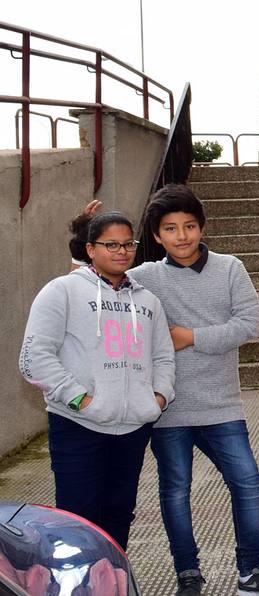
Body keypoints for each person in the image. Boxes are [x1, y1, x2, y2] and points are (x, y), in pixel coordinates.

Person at [129, 185, 259, 596]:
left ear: (201, 228)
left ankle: (250, 572)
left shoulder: (230, 268)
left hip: (222, 405)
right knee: (175, 491)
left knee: (247, 483)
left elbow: (249, 324)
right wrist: (82, 241)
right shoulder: (142, 278)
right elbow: (94, 282)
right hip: (168, 408)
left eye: (189, 226)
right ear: (156, 235)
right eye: (170, 228)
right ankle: (187, 574)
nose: (181, 236)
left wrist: (188, 336)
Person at [19, 211, 175, 552]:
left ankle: (110, 581)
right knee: (77, 518)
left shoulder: (148, 300)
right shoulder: (61, 291)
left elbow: (164, 356)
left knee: (119, 514)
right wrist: (82, 401)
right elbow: (34, 358)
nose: (122, 252)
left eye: (128, 244)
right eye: (111, 245)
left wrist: (157, 399)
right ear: (90, 249)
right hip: (77, 426)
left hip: (132, 429)